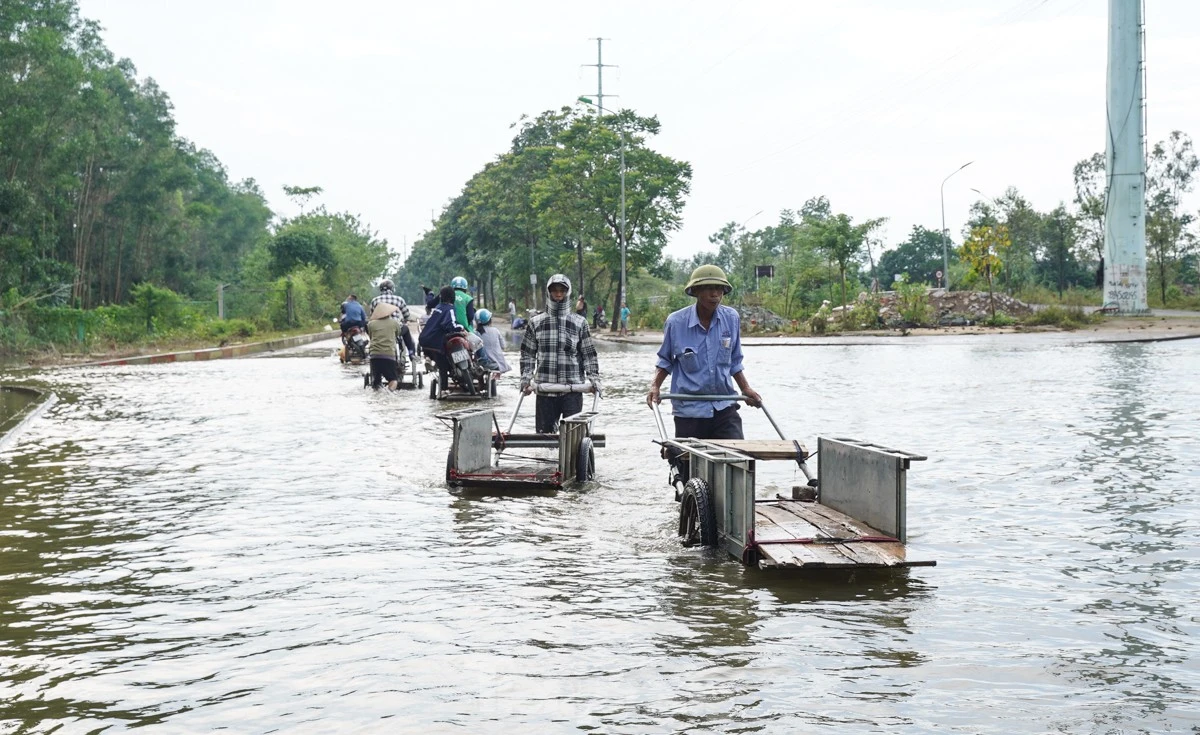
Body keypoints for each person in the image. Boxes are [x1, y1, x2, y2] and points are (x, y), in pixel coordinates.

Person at [646, 265, 762, 483]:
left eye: (718, 289)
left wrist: (746, 389)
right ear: (695, 292)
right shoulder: (676, 322)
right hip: (689, 410)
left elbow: (735, 361)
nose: (714, 294)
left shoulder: (731, 318)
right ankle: (689, 510)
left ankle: (735, 509)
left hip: (724, 406)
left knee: (739, 461)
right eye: (708, 289)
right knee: (687, 473)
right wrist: (655, 386)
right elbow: (665, 361)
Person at [520, 274, 601, 434]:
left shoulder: (579, 322)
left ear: (567, 293)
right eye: (554, 291)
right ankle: (545, 459)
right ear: (549, 293)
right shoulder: (536, 323)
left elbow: (588, 354)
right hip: (545, 389)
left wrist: (594, 379)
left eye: (562, 291)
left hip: (572, 390)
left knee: (573, 439)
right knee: (545, 439)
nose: (558, 295)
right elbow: (528, 354)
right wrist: (525, 379)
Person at [370, 279, 416, 359]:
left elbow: (372, 316)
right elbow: (406, 315)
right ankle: (411, 353)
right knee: (406, 330)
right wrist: (406, 319)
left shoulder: (375, 300)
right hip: (396, 328)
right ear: (392, 289)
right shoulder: (399, 299)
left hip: (379, 329)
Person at [367, 302, 404, 390]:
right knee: (393, 380)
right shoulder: (394, 323)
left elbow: (371, 336)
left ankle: (377, 396)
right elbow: (398, 334)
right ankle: (389, 394)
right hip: (388, 355)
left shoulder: (371, 324)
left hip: (374, 355)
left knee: (376, 382)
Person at [475, 309, 511, 376]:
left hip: (482, 363)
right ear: (489, 320)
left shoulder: (476, 333)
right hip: (498, 363)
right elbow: (503, 346)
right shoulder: (495, 330)